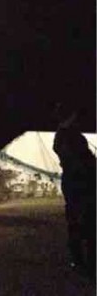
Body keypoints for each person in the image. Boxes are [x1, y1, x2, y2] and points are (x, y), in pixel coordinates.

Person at [52, 108, 96, 276]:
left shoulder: (65, 135)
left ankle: (80, 260)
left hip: (76, 182)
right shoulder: (68, 137)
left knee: (78, 221)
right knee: (86, 222)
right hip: (80, 183)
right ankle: (87, 263)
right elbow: (79, 160)